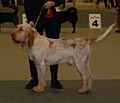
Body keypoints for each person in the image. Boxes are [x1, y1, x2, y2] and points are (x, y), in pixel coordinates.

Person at [24, 0, 65, 89]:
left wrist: (54, 3)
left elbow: (62, 0)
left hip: (54, 19)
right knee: (33, 48)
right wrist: (30, 19)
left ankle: (54, 79)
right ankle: (35, 79)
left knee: (55, 49)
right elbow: (27, 2)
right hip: (37, 17)